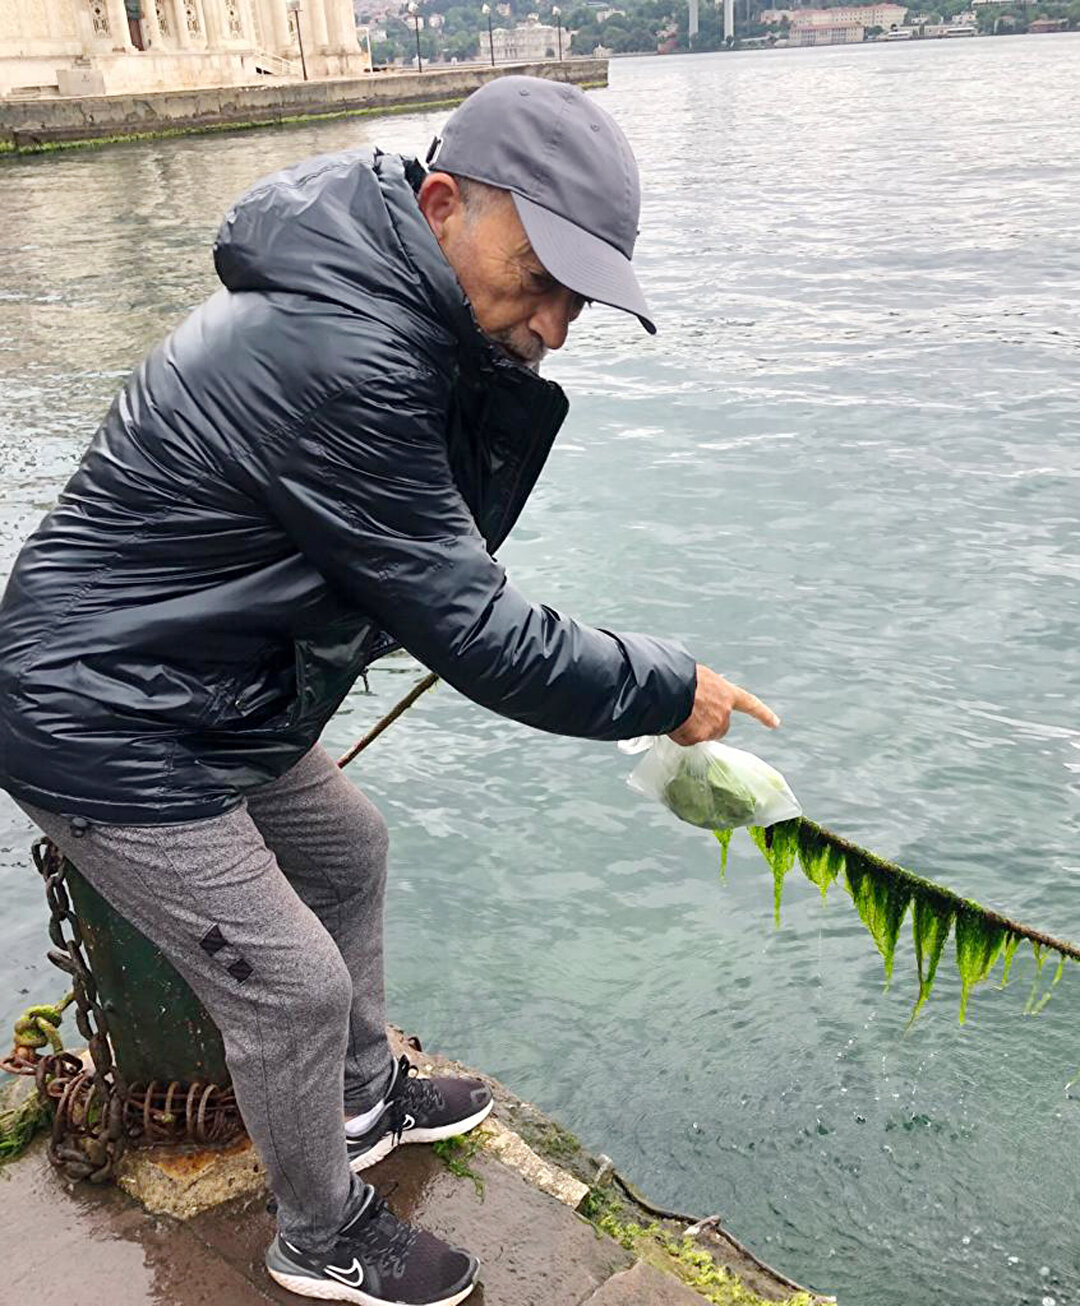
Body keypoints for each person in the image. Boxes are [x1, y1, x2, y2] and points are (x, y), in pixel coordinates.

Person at [0, 75, 778, 1306]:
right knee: (288, 988)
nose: (557, 325)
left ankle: (363, 1097)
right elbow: (481, 632)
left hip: (207, 683)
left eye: (578, 296)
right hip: (102, 716)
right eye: (540, 279)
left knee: (349, 844)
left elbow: (417, 561)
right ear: (442, 202)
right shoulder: (338, 349)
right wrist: (666, 687)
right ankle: (320, 1231)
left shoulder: (380, 304)